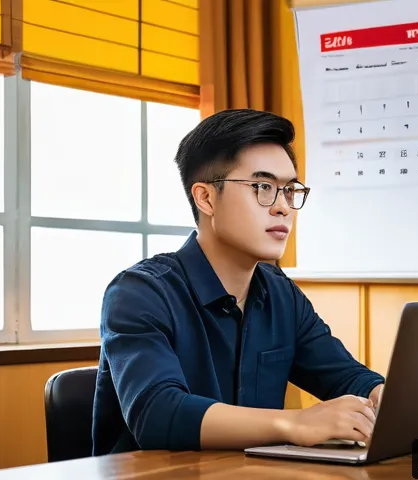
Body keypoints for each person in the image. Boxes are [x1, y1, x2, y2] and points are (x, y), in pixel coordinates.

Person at [92, 108, 385, 455]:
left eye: (289, 190)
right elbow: (158, 415)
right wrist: (294, 424)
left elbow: (346, 377)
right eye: (263, 187)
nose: (283, 208)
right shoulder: (139, 293)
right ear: (205, 197)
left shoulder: (281, 294)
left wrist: (384, 397)